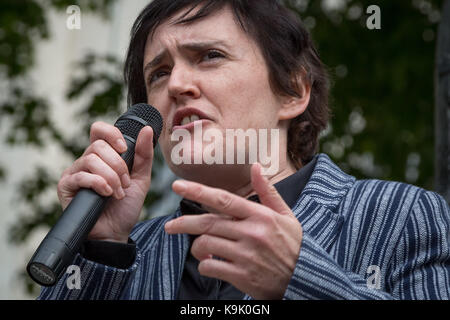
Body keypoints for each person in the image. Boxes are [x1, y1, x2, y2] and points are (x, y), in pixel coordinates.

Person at [39, 0, 450, 300]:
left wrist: (302, 278)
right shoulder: (127, 252)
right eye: (159, 73)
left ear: (293, 90)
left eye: (209, 56)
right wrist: (101, 247)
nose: (178, 84)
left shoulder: (402, 216)